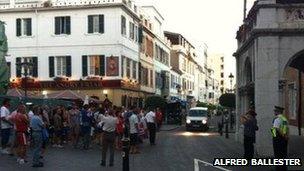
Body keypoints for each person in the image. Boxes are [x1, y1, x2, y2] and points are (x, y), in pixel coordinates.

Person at [271, 106, 289, 171]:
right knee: (283, 154)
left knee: (278, 154)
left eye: (275, 111)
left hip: (278, 139)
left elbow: (276, 129)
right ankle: (284, 168)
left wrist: (274, 136)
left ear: (278, 112)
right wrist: (286, 136)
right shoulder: (284, 118)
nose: (274, 112)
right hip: (283, 139)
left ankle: (278, 168)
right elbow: (285, 129)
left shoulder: (277, 119)